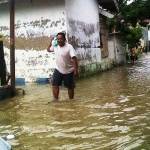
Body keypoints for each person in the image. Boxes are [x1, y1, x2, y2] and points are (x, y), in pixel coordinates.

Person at [47, 32, 78, 101]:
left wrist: (76, 70)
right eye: (58, 39)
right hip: (58, 69)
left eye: (61, 39)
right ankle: (56, 100)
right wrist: (51, 41)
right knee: (55, 85)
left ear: (64, 39)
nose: (59, 40)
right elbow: (48, 50)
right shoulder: (55, 46)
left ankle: (71, 100)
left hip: (69, 70)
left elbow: (74, 58)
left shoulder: (69, 47)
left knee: (70, 87)